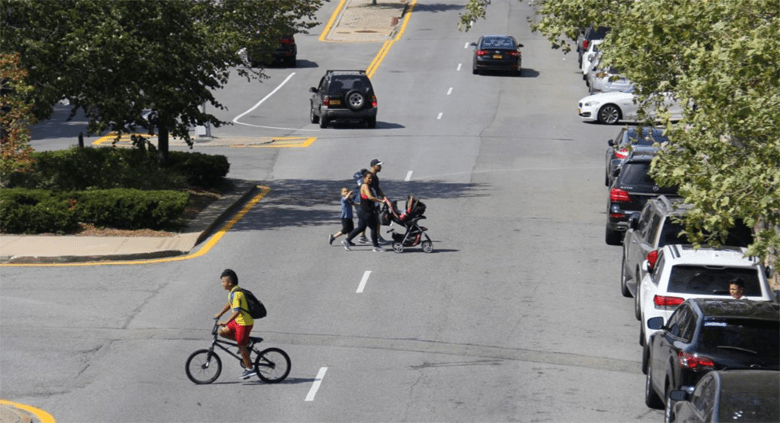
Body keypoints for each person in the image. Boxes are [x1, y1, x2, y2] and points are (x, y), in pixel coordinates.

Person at [214, 269, 256, 379]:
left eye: (223, 282)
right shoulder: (232, 292)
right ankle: (245, 342)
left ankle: (250, 369)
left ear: (230, 283)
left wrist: (226, 321)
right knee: (222, 332)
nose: (222, 284)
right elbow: (229, 304)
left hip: (244, 323)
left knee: (241, 345)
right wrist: (220, 313)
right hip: (237, 322)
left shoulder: (237, 294)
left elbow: (237, 311)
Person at [343, 172, 385, 252]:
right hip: (366, 211)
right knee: (373, 227)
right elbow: (370, 197)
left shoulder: (367, 186)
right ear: (364, 178)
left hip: (363, 210)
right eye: (368, 178)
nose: (370, 180)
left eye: (371, 178)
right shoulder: (365, 186)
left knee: (361, 227)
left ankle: (347, 241)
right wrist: (381, 201)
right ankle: (376, 247)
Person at [358, 159, 389, 244]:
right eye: (378, 165)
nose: (380, 167)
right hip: (372, 201)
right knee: (377, 219)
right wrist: (381, 200)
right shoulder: (371, 177)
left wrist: (384, 196)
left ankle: (362, 236)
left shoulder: (373, 176)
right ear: (373, 166)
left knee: (365, 220)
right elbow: (372, 190)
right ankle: (378, 237)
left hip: (370, 202)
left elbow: (377, 188)